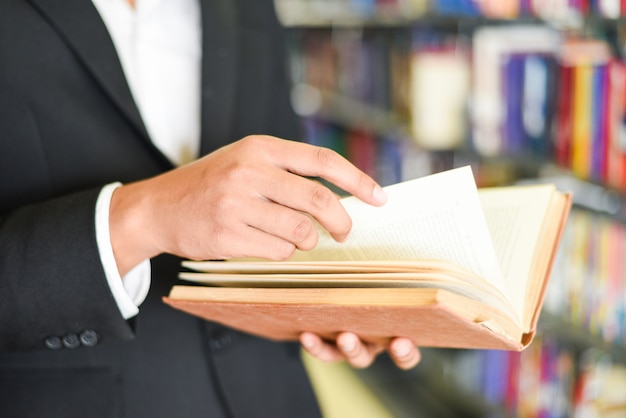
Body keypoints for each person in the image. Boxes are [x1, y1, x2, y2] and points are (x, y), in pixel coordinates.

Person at [0, 0, 421, 417]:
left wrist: (333, 306)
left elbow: (283, 198)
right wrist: (148, 216)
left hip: (274, 393)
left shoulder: (248, 9)